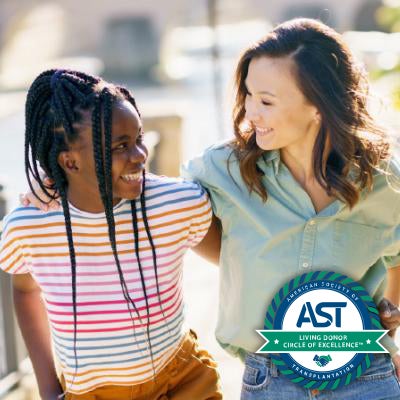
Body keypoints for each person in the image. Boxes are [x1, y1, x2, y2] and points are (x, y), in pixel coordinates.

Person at [180, 18, 400, 399]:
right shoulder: (223, 169)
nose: (250, 112)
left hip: (365, 372)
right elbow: (174, 212)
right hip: (271, 379)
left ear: (319, 105)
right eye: (248, 95)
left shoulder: (383, 180)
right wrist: (242, 253)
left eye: (266, 101)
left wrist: (392, 308)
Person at [0, 69, 222, 400]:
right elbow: (25, 292)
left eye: (138, 140)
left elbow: (236, 260)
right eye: (120, 146)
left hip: (184, 381)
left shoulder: (178, 203)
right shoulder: (29, 228)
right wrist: (48, 388)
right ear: (70, 162)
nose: (139, 156)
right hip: (94, 394)